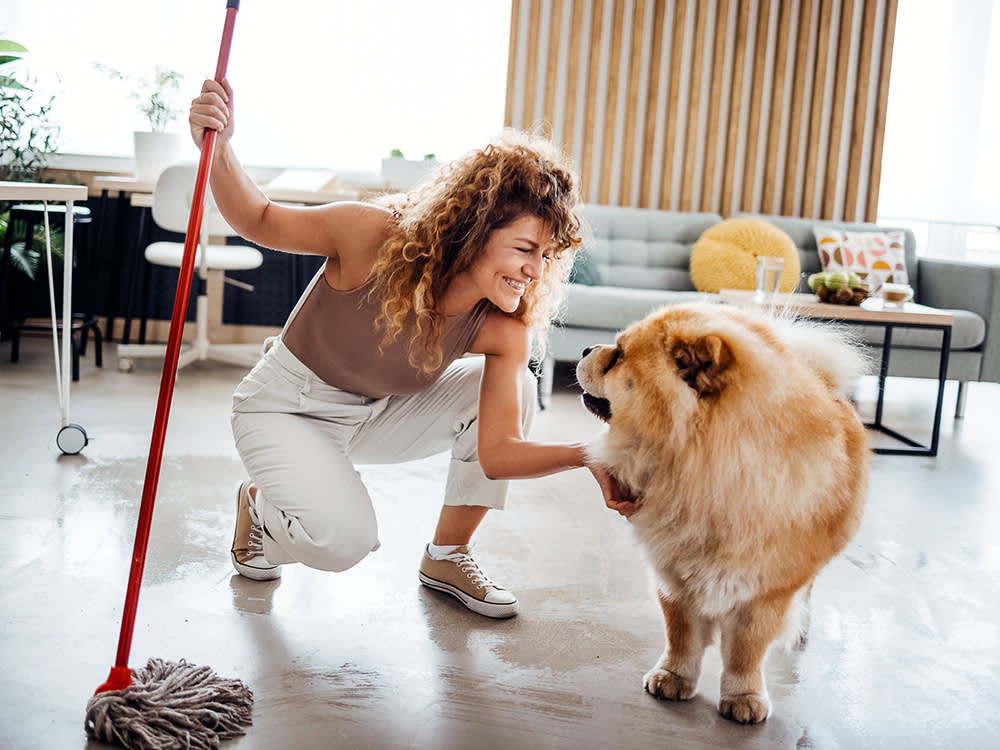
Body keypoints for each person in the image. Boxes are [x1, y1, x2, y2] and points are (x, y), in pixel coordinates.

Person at [188, 78, 638, 620]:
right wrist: (221, 145)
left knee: (514, 382)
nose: (535, 271)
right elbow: (256, 218)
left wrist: (590, 453)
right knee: (344, 541)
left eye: (546, 255)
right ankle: (260, 510)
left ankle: (448, 555)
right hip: (285, 407)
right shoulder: (369, 236)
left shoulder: (502, 328)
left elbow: (496, 455)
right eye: (524, 249)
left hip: (375, 417)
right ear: (475, 228)